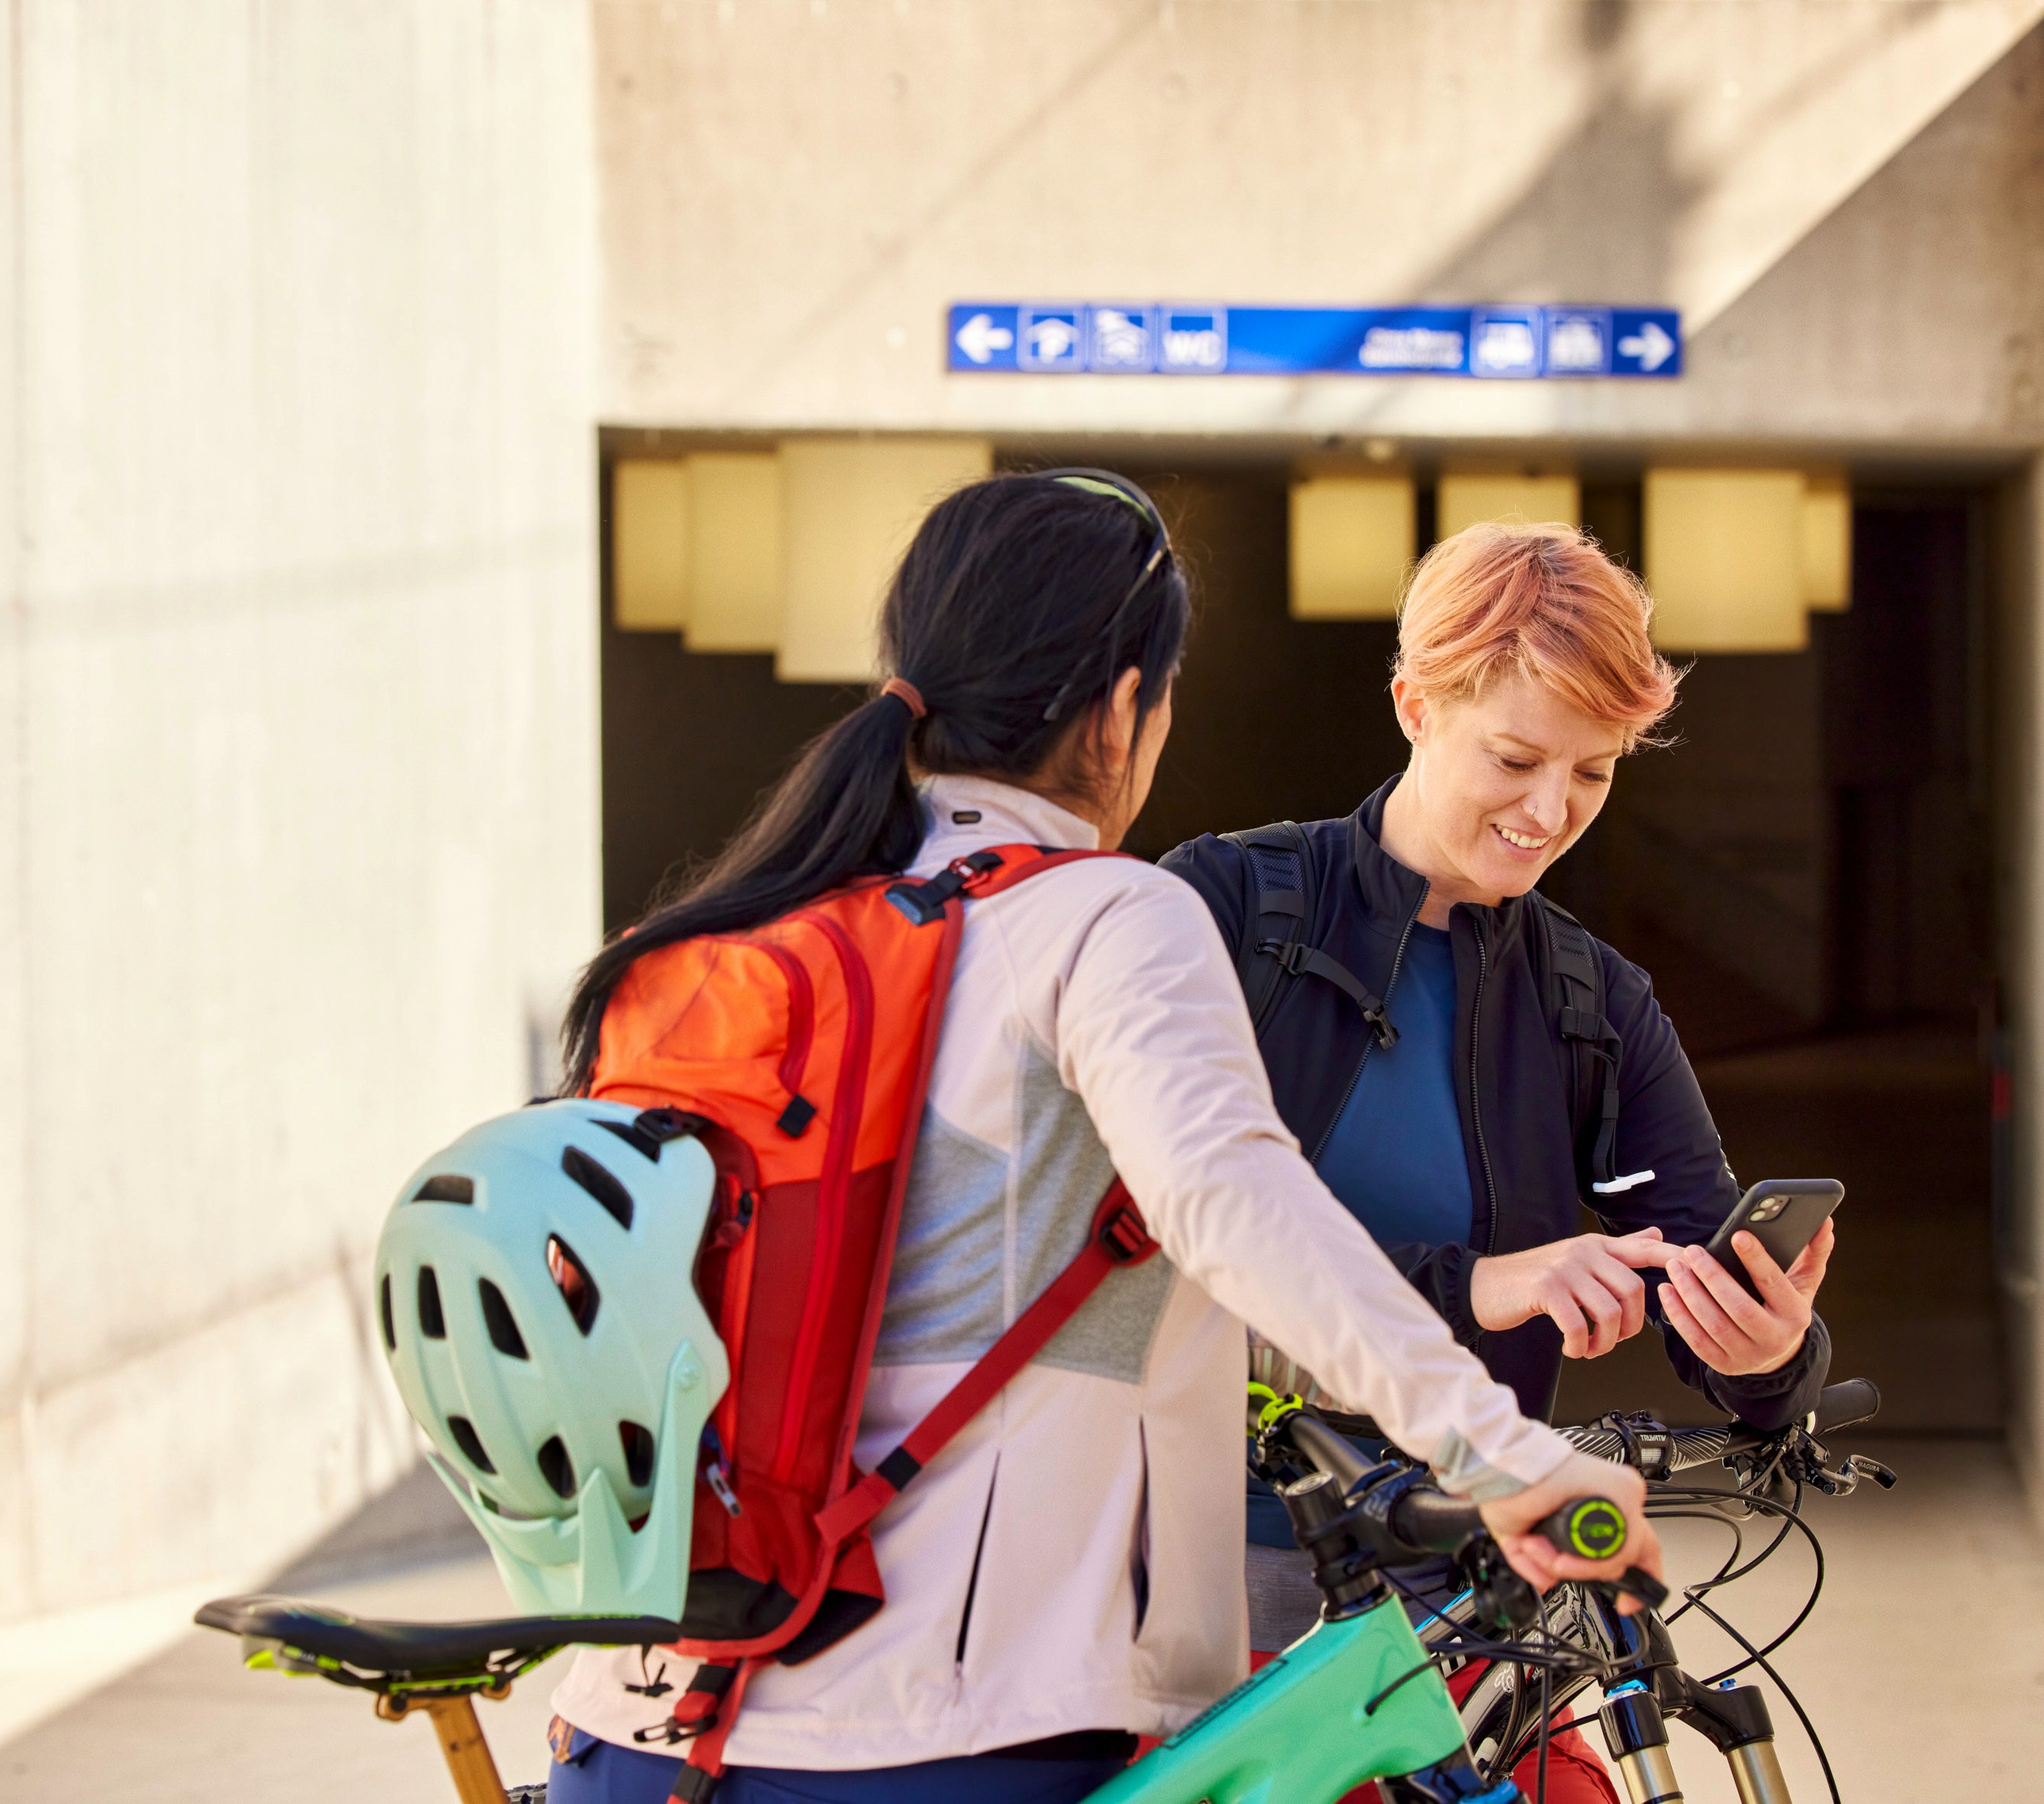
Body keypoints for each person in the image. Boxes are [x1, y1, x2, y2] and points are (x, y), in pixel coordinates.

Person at [540, 476, 1662, 1804]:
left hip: (640, 1723)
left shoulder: (734, 942)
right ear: (1128, 705)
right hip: (954, 1737)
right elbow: (1231, 1203)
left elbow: (1102, 1294)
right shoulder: (1104, 917)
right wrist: (1506, 1454)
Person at [1161, 521, 1836, 1693]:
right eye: (1516, 759)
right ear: (1415, 705)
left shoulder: (1595, 1001)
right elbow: (1139, 1236)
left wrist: (1772, 1354)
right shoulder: (1223, 908)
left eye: (1594, 770)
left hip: (1467, 1579)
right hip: (1191, 1560)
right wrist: (1480, 1283)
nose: (1551, 809)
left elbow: (1697, 1271)